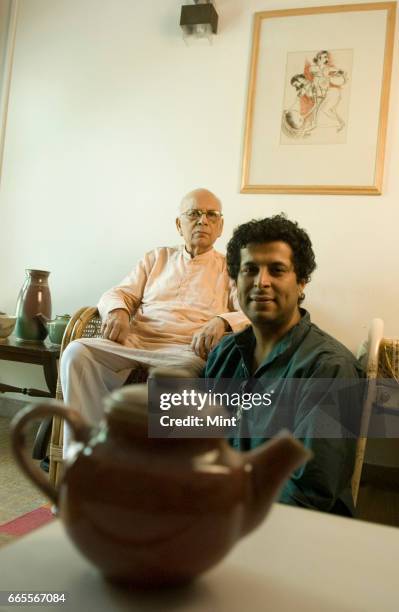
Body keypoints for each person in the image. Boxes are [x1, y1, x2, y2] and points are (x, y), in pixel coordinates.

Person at [61, 188, 248, 451]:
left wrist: (222, 321)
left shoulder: (232, 268)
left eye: (211, 215)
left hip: (183, 352)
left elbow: (250, 314)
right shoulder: (156, 258)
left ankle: (153, 469)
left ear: (220, 226)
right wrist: (118, 311)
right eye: (194, 213)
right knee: (77, 353)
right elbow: (118, 293)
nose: (202, 221)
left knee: (174, 379)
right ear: (178, 224)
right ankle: (86, 453)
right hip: (134, 343)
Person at [204, 214, 364, 515]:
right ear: (236, 281)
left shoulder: (328, 368)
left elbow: (308, 493)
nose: (261, 282)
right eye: (250, 269)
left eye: (277, 270)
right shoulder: (224, 353)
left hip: (294, 529)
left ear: (302, 282)